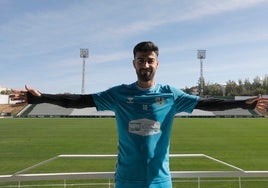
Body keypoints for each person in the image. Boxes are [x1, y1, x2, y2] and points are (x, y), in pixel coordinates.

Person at [10, 41, 268, 188]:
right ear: (134, 63)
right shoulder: (119, 94)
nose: (145, 64)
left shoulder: (171, 95)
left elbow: (208, 103)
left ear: (157, 63)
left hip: (160, 180)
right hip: (126, 180)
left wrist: (246, 103)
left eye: (150, 60)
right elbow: (78, 100)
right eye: (141, 60)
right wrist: (41, 97)